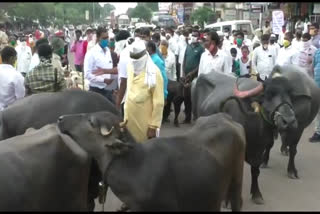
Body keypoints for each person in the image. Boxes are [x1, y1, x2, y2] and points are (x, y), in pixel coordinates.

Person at [123, 39, 164, 143]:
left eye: (137, 59)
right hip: (128, 120)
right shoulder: (130, 67)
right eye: (133, 58)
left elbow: (159, 102)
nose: (135, 62)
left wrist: (153, 126)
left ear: (145, 56)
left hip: (144, 125)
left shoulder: (154, 73)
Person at [83, 27, 117, 103]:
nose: (106, 40)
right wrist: (103, 80)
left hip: (108, 90)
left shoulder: (107, 51)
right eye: (104, 38)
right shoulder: (91, 53)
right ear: (98, 38)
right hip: (97, 91)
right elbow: (87, 74)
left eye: (107, 37)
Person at [181, 30, 204, 123]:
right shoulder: (188, 47)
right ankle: (187, 117)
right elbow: (184, 60)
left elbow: (201, 64)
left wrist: (192, 73)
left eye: (195, 35)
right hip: (186, 76)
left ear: (198, 37)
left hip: (194, 77)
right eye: (192, 35)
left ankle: (196, 116)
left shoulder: (201, 49)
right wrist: (183, 73)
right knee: (186, 97)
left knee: (193, 97)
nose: (193, 37)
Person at [0, 46, 25, 110]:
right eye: (15, 58)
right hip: (10, 113)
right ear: (11, 59)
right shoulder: (17, 76)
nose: (16, 60)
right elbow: (20, 99)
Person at [309, 49, 320, 142]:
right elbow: (312, 67)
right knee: (318, 111)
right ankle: (318, 133)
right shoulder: (317, 52)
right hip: (317, 85)